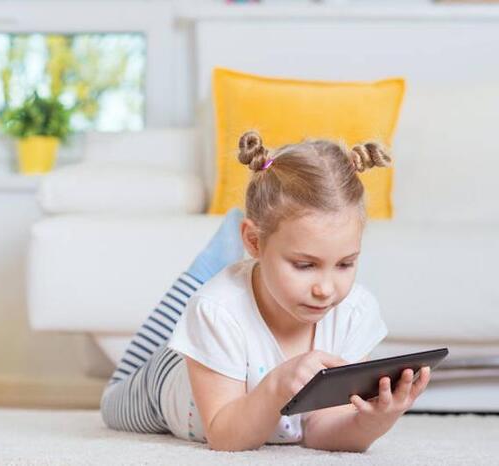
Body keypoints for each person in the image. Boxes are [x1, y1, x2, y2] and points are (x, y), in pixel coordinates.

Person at [100, 130, 432, 452]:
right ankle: (202, 273)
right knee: (111, 402)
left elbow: (320, 430)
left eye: (345, 264)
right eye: (304, 265)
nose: (326, 289)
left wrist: (373, 421)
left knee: (208, 304)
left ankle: (212, 268)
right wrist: (276, 385)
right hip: (166, 383)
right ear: (254, 241)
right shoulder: (217, 311)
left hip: (217, 333)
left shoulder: (355, 311)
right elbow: (224, 436)